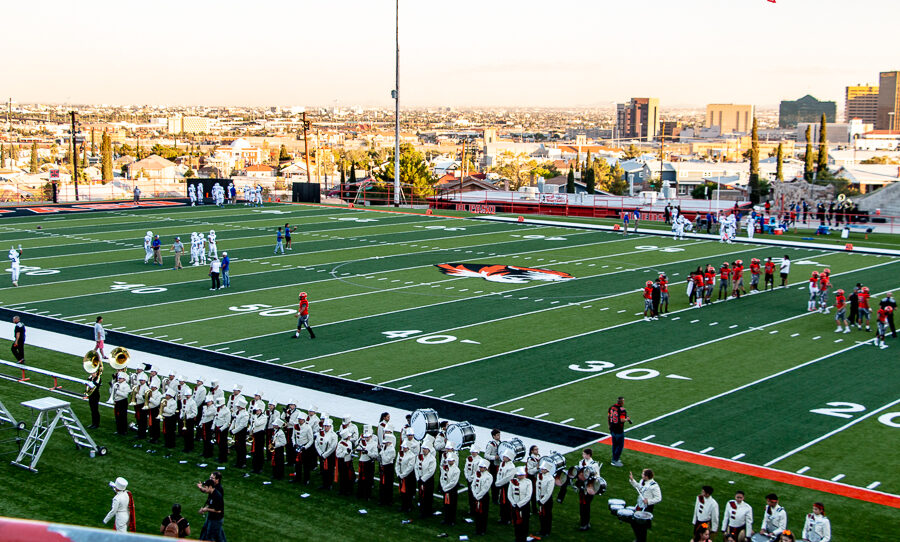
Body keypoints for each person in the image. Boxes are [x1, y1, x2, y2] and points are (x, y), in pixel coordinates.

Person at [629, 468, 661, 542]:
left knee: (642, 527)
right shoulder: (642, 481)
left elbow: (659, 498)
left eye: (643, 474)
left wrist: (648, 501)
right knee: (634, 523)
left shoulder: (654, 485)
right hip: (640, 505)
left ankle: (641, 540)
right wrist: (632, 480)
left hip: (647, 507)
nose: (641, 475)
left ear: (647, 476)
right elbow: (640, 488)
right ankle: (639, 538)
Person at [576, 448, 600, 531]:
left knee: (586, 506)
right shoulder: (581, 462)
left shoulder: (594, 464)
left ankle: (585, 523)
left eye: (584, 454)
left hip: (589, 487)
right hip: (582, 487)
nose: (583, 455)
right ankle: (583, 520)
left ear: (588, 455)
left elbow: (597, 477)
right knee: (582, 505)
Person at [509, 467, 532, 542]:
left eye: (521, 475)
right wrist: (513, 503)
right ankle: (517, 537)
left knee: (524, 523)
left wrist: (520, 504)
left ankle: (523, 538)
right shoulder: (512, 482)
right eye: (519, 475)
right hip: (515, 505)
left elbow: (528, 495)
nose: (520, 476)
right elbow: (509, 494)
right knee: (516, 523)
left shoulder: (528, 482)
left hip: (524, 506)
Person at [471, 458, 493, 535]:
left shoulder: (489, 476)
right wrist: (474, 494)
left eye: (482, 467)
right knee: (477, 513)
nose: (480, 468)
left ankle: (482, 529)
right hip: (476, 495)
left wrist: (479, 496)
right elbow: (473, 484)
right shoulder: (477, 474)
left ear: (486, 468)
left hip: (483, 497)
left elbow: (485, 488)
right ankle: (477, 529)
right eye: (480, 467)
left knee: (483, 513)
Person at [608, 396, 631, 467]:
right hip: (619, 430)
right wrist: (627, 419)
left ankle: (614, 458)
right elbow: (621, 420)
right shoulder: (622, 410)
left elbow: (608, 417)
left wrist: (609, 425)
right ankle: (615, 460)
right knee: (620, 446)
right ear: (621, 402)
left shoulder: (611, 407)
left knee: (614, 445)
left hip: (612, 428)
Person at [416, 443, 437, 518]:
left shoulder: (432, 459)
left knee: (428, 496)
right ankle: (422, 510)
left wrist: (423, 479)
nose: (424, 450)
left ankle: (427, 511)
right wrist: (418, 477)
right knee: (421, 496)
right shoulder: (419, 457)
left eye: (425, 449)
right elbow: (416, 467)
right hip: (420, 479)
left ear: (429, 450)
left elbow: (431, 471)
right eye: (423, 449)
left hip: (428, 480)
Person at [316, 417, 338, 490]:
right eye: (325, 426)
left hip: (329, 455)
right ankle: (324, 484)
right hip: (322, 454)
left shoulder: (334, 435)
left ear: (330, 427)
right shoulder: (321, 433)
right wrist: (321, 453)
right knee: (324, 470)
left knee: (329, 470)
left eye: (327, 426)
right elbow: (316, 443)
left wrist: (325, 454)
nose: (326, 427)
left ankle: (329, 484)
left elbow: (333, 447)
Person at [495, 448, 515, 525]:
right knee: (502, 502)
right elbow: (499, 473)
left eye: (505, 457)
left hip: (507, 486)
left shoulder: (511, 467)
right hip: (501, 485)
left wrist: (499, 483)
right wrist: (498, 481)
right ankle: (502, 517)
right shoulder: (502, 464)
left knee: (507, 502)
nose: (503, 458)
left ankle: (508, 518)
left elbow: (507, 478)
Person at [535, 459, 555, 536]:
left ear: (547, 470)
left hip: (547, 500)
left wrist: (542, 501)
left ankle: (547, 531)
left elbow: (548, 492)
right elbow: (537, 488)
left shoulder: (550, 479)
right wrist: (537, 498)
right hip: (540, 498)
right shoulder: (539, 476)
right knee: (541, 516)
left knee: (547, 515)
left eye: (543, 469)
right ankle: (542, 529)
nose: (541, 469)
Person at [378, 424, 397, 504]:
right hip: (384, 466)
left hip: (388, 467)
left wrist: (382, 454)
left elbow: (386, 459)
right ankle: (382, 498)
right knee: (382, 483)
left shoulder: (392, 450)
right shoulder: (385, 447)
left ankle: (388, 499)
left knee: (388, 484)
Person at [229, 397, 249, 468]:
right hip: (237, 431)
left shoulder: (245, 414)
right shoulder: (238, 412)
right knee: (237, 447)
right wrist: (231, 428)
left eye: (238, 406)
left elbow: (242, 425)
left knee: (241, 448)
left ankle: (242, 462)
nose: (237, 407)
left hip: (241, 432)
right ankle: (238, 462)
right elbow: (234, 421)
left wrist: (233, 431)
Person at [396, 441, 416, 512]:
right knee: (402, 492)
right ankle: (403, 505)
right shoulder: (400, 453)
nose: (404, 449)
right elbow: (397, 464)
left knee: (408, 492)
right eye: (403, 447)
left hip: (408, 476)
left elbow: (410, 467)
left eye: (405, 447)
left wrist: (403, 475)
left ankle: (409, 506)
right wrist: (398, 473)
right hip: (401, 475)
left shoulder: (412, 456)